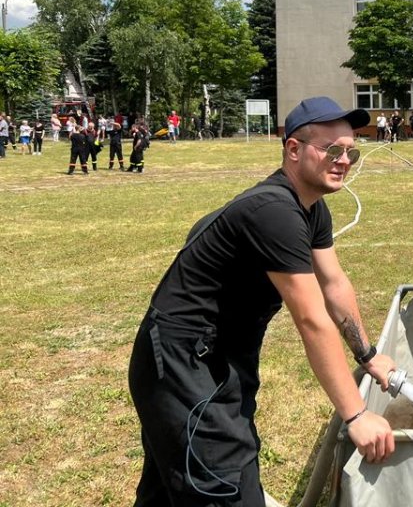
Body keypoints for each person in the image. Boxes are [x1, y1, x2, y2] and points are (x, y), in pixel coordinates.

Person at [128, 96, 395, 506]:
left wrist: (369, 355)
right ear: (293, 149)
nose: (344, 160)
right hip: (183, 360)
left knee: (177, 483)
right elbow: (311, 319)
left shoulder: (311, 209)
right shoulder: (273, 211)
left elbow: (334, 286)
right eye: (332, 150)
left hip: (221, 354)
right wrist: (356, 415)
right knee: (223, 481)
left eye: (351, 151)